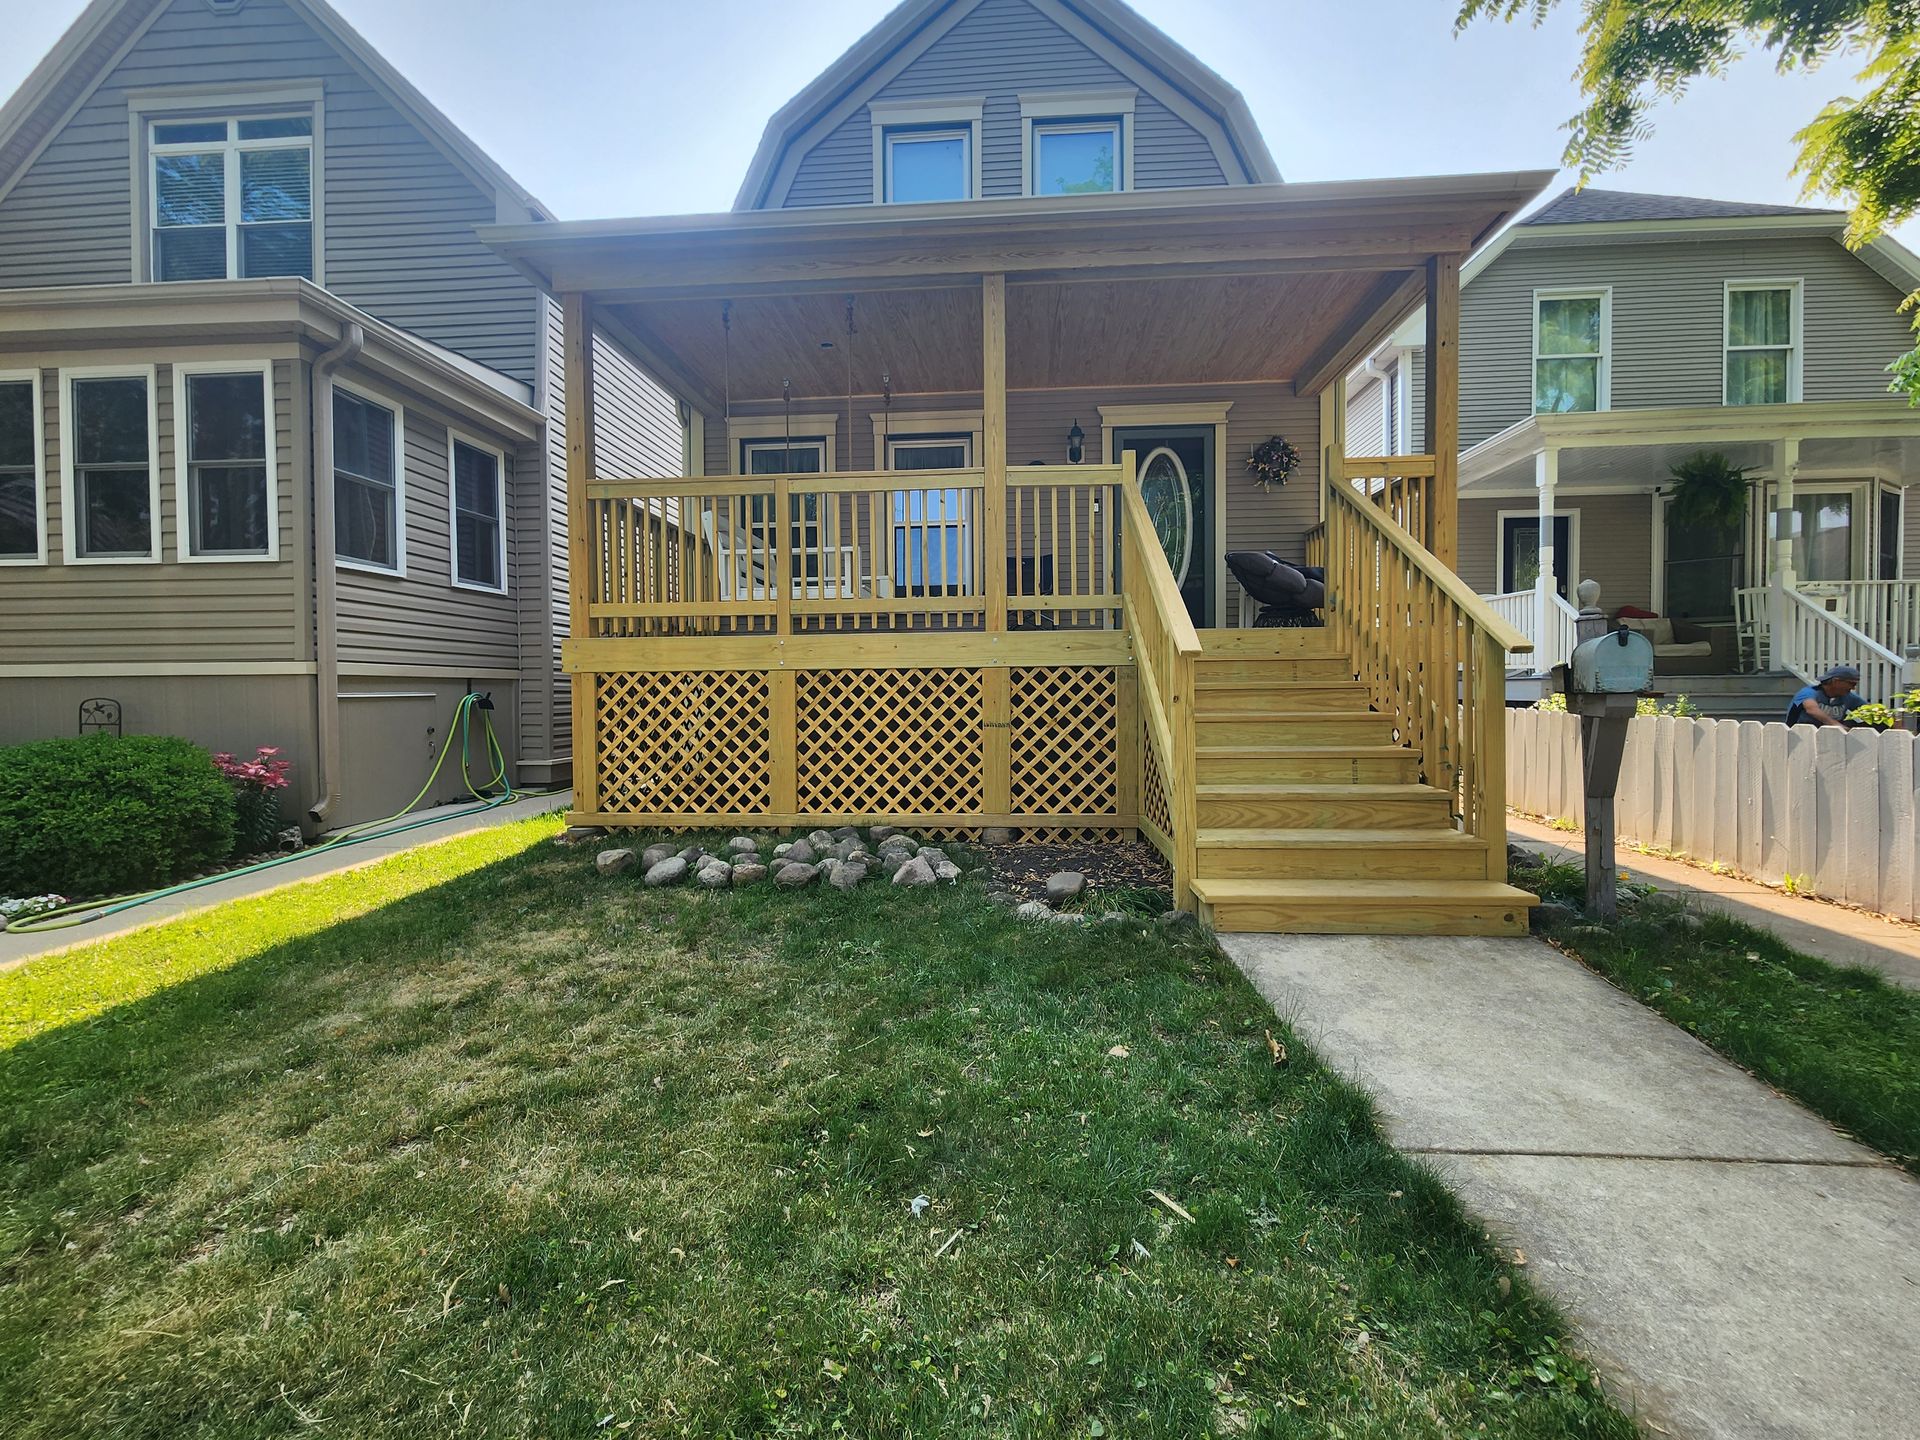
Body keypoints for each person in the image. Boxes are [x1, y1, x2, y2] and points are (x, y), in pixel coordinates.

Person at [1787, 665, 1865, 727]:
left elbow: (1868, 709)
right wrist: (1837, 726)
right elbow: (1812, 709)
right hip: (1801, 735)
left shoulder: (1849, 697)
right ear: (1835, 681)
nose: (1853, 688)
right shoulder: (1809, 692)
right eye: (1851, 684)